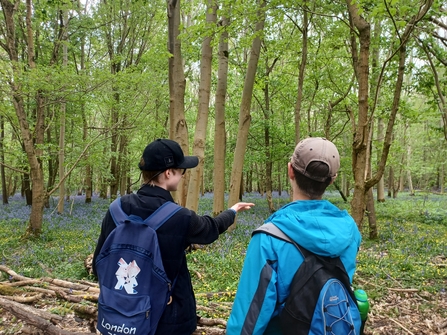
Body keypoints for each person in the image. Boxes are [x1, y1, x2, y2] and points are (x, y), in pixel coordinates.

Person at [92, 138, 254, 335]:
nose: (183, 176)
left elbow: (98, 262)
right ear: (168, 173)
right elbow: (211, 229)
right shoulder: (179, 217)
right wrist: (232, 211)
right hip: (169, 318)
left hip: (119, 311)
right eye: (181, 171)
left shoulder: (116, 209)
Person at [227, 137, 362, 335]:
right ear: (332, 180)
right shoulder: (350, 230)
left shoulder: (268, 238)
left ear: (290, 170)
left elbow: (249, 319)